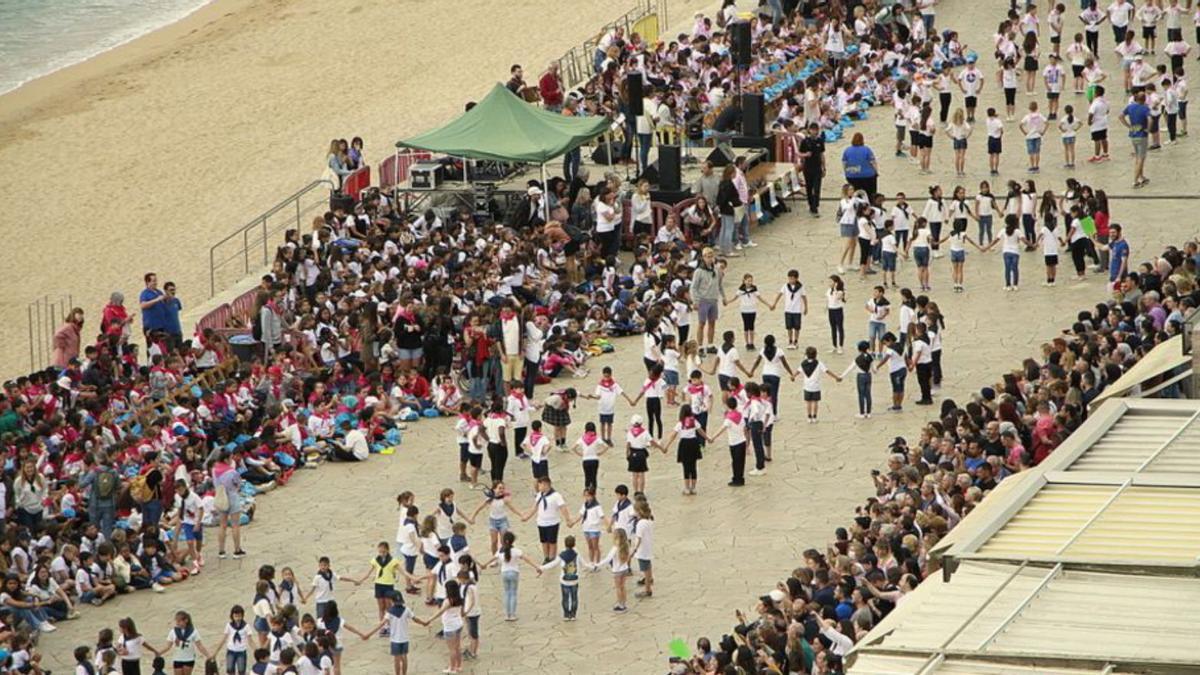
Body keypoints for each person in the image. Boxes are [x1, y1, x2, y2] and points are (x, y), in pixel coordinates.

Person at [480, 532, 542, 621]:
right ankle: (512, 615)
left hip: (504, 573)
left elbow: (493, 559)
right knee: (513, 593)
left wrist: (484, 565)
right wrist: (537, 567)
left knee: (507, 593)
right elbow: (526, 559)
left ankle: (507, 614)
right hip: (514, 572)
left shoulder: (500, 551)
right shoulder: (516, 551)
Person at [539, 535, 582, 620]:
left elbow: (553, 564)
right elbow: (584, 564)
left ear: (565, 544)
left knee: (565, 598)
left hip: (564, 580)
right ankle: (573, 615)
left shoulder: (562, 555)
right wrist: (593, 566)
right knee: (574, 598)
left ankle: (566, 614)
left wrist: (541, 568)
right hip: (574, 580)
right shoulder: (577, 555)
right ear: (574, 544)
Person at [692, 247, 724, 354]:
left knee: (712, 322)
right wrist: (696, 301)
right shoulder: (698, 271)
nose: (710, 259)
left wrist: (723, 297)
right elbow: (694, 287)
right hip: (703, 300)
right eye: (708, 257)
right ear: (703, 257)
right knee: (701, 323)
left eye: (711, 256)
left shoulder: (716, 270)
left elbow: (719, 285)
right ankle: (700, 346)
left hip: (713, 299)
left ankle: (710, 344)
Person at [1120, 91, 1152, 187]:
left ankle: (1141, 176)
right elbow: (1150, 119)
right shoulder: (1145, 108)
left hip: (1133, 134)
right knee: (1141, 158)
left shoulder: (1130, 107)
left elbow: (1120, 116)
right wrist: (1148, 130)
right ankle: (1135, 180)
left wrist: (1128, 126)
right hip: (1142, 135)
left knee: (1138, 156)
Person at [797, 122, 827, 216]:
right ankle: (811, 204)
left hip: (817, 167)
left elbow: (822, 154)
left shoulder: (820, 141)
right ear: (809, 130)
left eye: (816, 130)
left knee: (817, 187)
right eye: (813, 130)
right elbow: (799, 153)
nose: (815, 132)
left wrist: (824, 167)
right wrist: (805, 155)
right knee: (809, 187)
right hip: (808, 167)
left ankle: (815, 206)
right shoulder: (805, 141)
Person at [841, 133, 878, 197]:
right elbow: (873, 162)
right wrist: (876, 172)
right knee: (870, 194)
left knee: (855, 195)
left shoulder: (847, 150)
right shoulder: (867, 149)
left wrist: (846, 173)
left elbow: (844, 163)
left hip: (852, 176)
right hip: (868, 176)